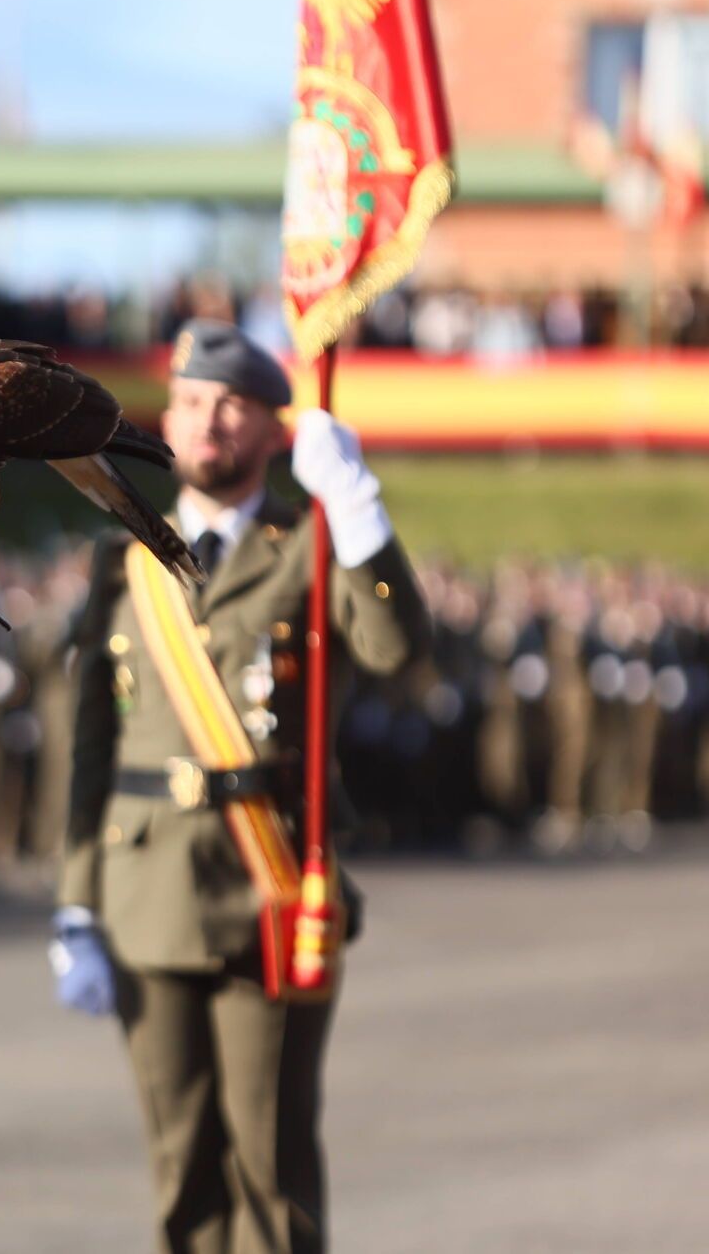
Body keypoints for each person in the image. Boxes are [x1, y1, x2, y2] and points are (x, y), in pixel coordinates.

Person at [51, 320, 429, 1254]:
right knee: (181, 1163)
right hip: (147, 892)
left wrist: (361, 514)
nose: (208, 420)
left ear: (273, 429)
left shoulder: (309, 546)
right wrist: (74, 904)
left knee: (269, 1163)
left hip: (272, 886)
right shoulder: (124, 554)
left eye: (234, 404)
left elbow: (397, 648)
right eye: (189, 401)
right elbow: (89, 748)